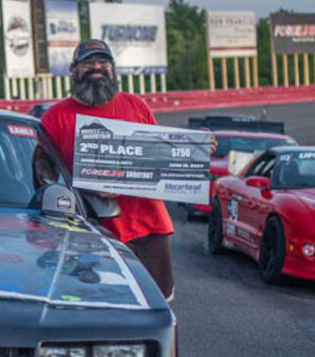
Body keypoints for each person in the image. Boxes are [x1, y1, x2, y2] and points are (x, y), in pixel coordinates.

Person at [40, 39, 214, 300]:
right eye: (88, 63)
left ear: (113, 68)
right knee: (95, 306)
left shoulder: (136, 105)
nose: (96, 68)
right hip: (88, 231)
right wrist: (87, 185)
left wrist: (196, 149)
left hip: (148, 228)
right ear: (73, 69)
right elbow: (43, 173)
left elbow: (160, 155)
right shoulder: (56, 116)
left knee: (157, 305)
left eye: (103, 62)